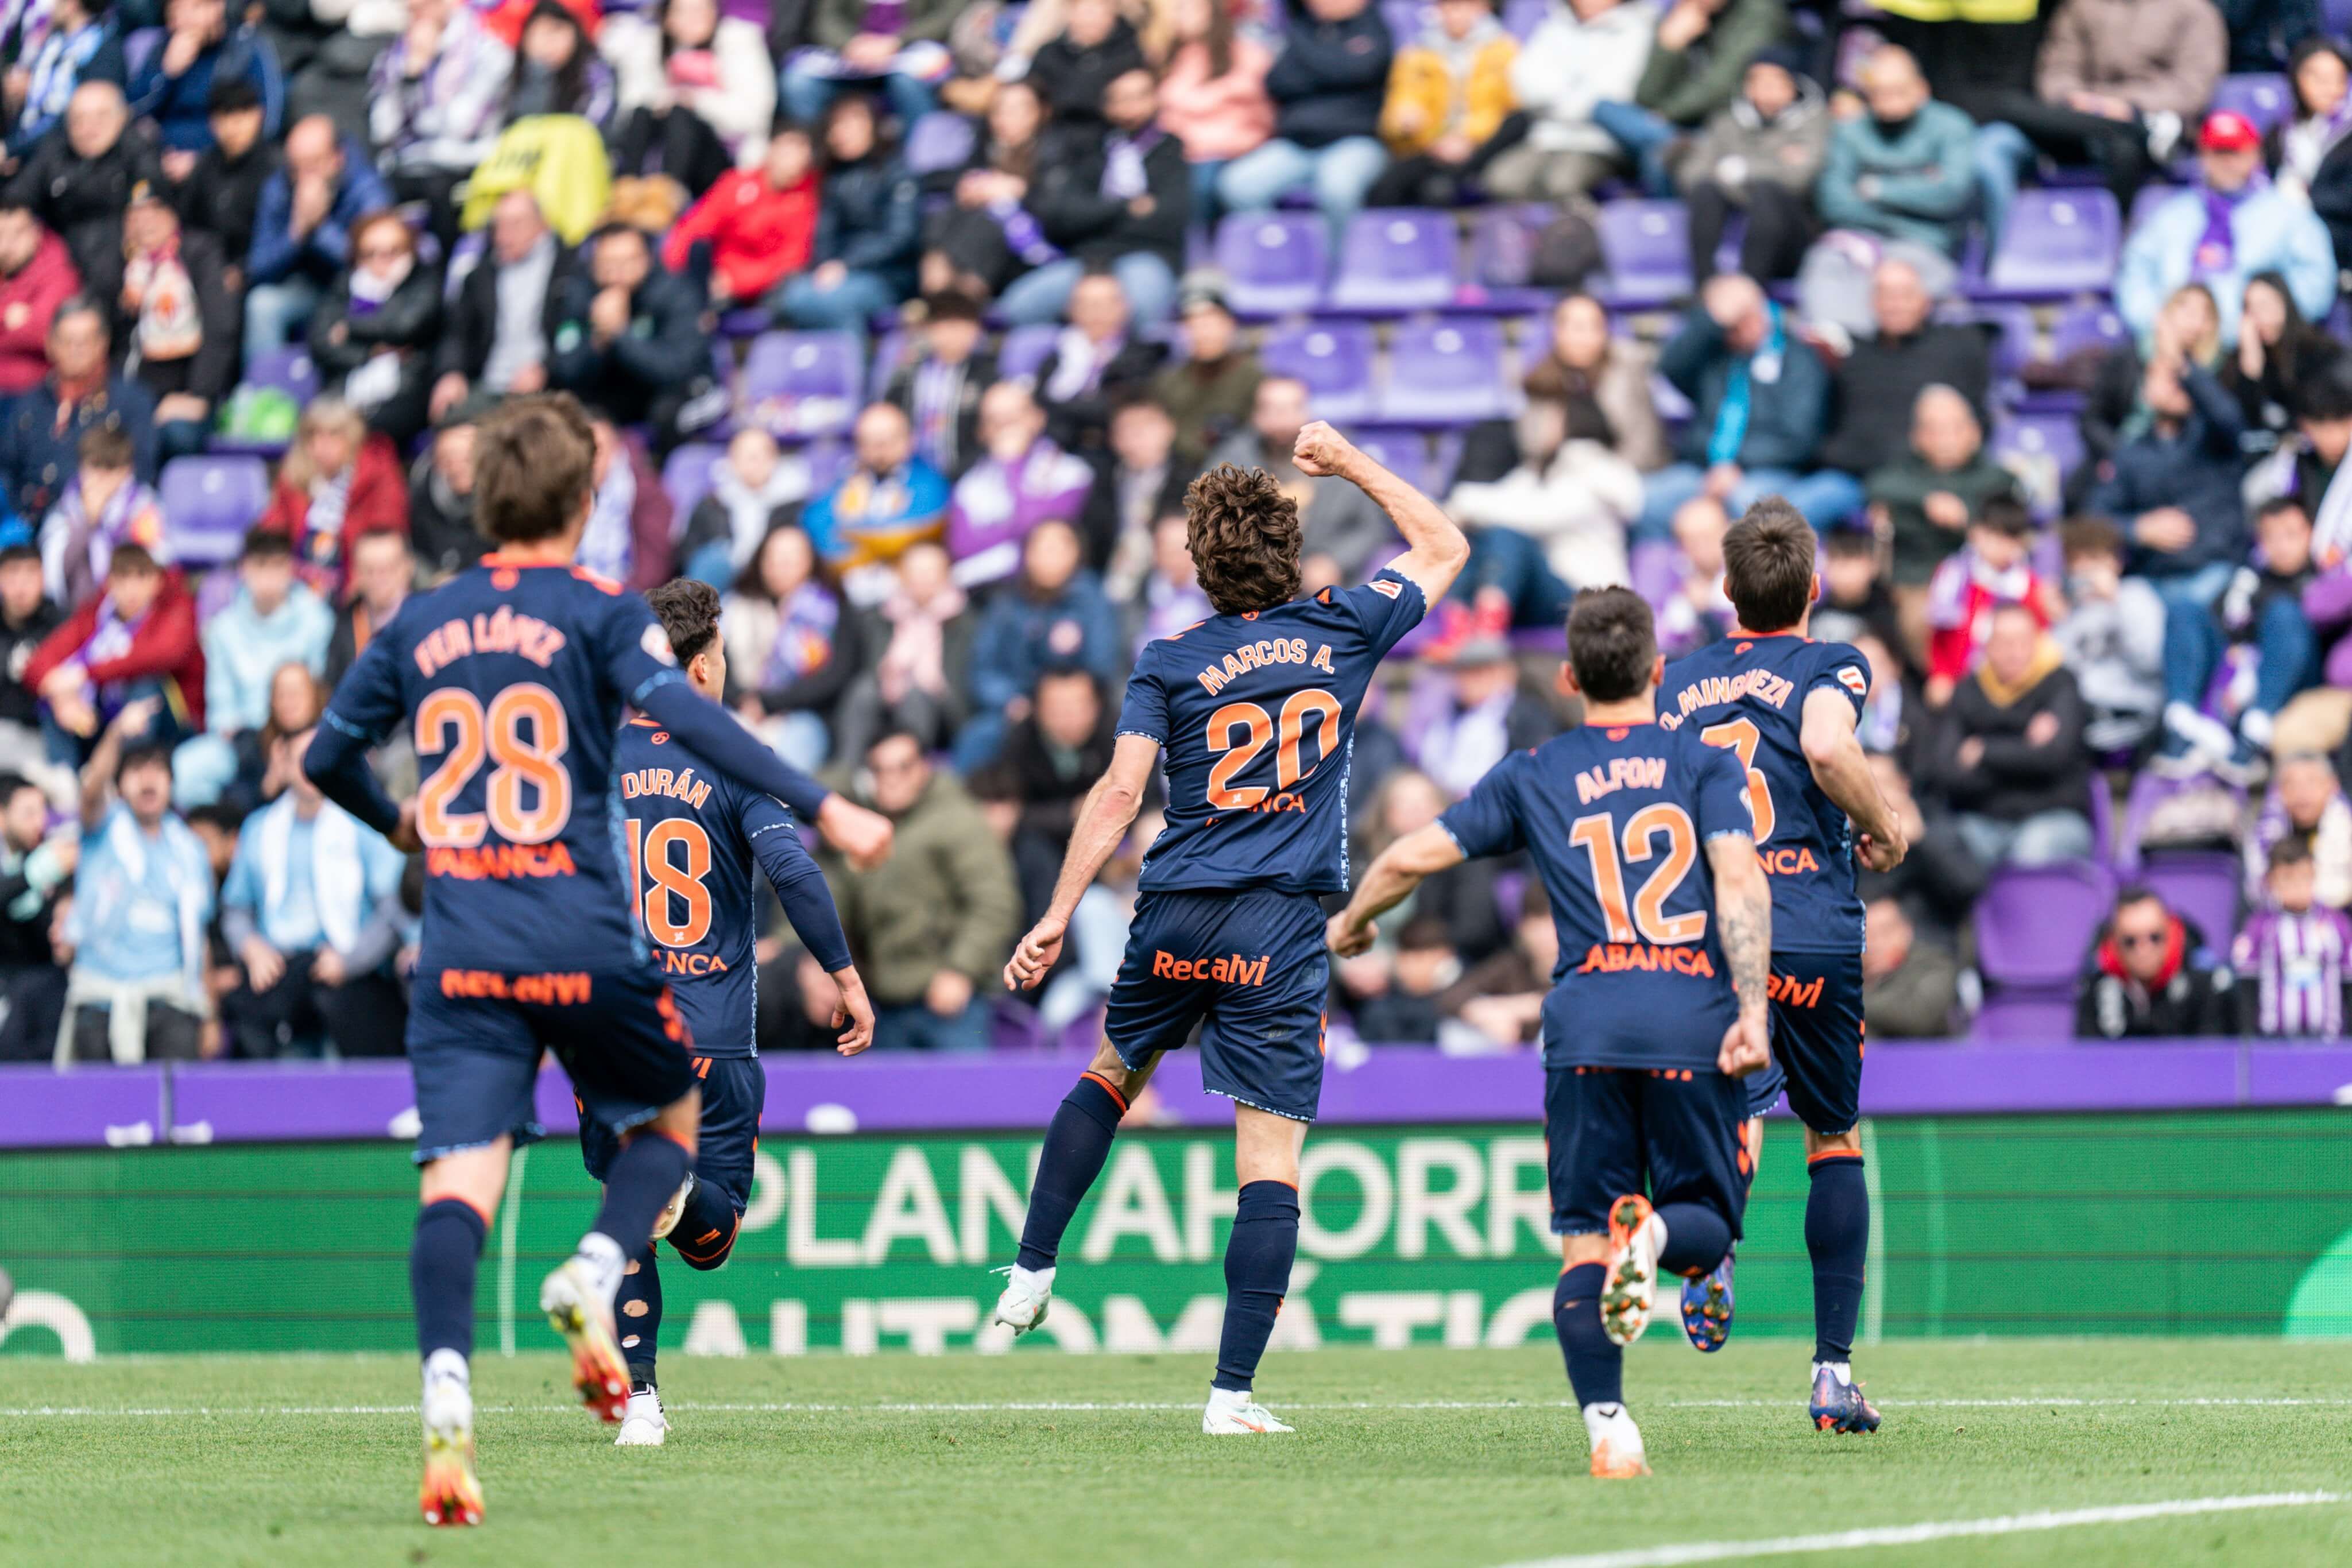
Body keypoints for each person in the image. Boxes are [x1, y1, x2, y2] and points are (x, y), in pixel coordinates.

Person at [299, 392, 892, 1526]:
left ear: (476, 499)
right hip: (577, 939)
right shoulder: (596, 611)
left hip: (461, 943)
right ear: (584, 501)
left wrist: (401, 827)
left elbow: (326, 756)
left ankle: (446, 1384)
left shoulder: (420, 619)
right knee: (666, 1134)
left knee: (459, 1182)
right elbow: (689, 713)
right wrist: (827, 804)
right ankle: (593, 1263)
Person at [991, 422, 1467, 1438]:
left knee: (1112, 1073)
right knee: (1269, 1158)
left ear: (1199, 569)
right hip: (1277, 924)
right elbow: (1444, 547)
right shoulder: (1343, 628)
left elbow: (1122, 793)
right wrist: (1348, 464)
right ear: (1289, 557)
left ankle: (1031, 1268)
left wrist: (1058, 911)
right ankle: (1230, 1396)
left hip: (1172, 907)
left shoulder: (1168, 657)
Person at [1332, 584, 1770, 1476]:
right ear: (1659, 670)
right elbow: (1741, 882)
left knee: (1581, 1237)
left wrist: (1355, 922)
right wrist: (1754, 1007)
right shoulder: (1702, 764)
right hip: (1690, 1015)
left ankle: (1611, 1427)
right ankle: (1651, 1238)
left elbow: (1414, 850)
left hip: (1585, 1026)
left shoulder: (1536, 769)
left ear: (1569, 675)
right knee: (1706, 1225)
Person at [597, 578, 873, 1443]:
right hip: (712, 1033)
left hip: (612, 1029)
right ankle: (676, 1201)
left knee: (630, 1206)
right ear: (707, 663)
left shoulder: (595, 760)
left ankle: (638, 1398)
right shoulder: (731, 756)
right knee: (710, 1238)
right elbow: (794, 870)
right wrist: (844, 972)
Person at [1653, 498, 1906, 1434]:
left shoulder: (1677, 679)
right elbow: (1829, 744)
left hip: (1711, 923)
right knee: (1833, 1135)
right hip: (1807, 925)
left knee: (1735, 1102)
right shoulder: (1831, 662)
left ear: (1726, 589)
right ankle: (1832, 1375)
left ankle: (1708, 1245)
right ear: (1813, 587)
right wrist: (1882, 824)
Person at [819, 727, 1019, 1052]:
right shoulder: (867, 826)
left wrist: (960, 970)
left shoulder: (958, 819)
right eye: (879, 770)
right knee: (892, 1100)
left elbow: (994, 903)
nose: (891, 778)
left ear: (925, 767)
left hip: (951, 1001)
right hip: (887, 1002)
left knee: (961, 1098)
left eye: (903, 767)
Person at [218, 723, 409, 1059]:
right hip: (281, 975)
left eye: (319, 757)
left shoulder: (364, 823)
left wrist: (350, 961)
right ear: (284, 763)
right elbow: (236, 909)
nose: (310, 769)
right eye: (301, 759)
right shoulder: (260, 827)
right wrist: (252, 949)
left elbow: (392, 911)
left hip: (348, 977)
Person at [58, 711, 213, 1063]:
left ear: (172, 784)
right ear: (120, 784)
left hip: (171, 997)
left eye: (158, 771)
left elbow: (197, 933)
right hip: (101, 996)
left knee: (173, 1115)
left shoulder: (190, 848)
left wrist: (210, 1013)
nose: (148, 780)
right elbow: (92, 788)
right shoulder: (102, 828)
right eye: (137, 771)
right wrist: (115, 734)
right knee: (100, 1115)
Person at [2116, 110, 2336, 349]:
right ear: (2202, 156)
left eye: (2235, 152)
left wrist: (2277, 317)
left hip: (2257, 346)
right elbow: (2135, 270)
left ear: (2255, 155)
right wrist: (2154, 320)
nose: (2227, 162)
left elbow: (2317, 280)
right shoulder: (2171, 214)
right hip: (2173, 346)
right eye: (2218, 152)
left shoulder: (2289, 215)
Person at [1639, 273, 1836, 537]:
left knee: (1747, 503)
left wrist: (1738, 466)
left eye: (1749, 315)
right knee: (1649, 503)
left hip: (1769, 472)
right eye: (1733, 323)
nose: (1743, 328)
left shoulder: (1799, 359)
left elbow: (1799, 439)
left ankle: (1738, 577)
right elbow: (1670, 366)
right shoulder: (1715, 355)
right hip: (1703, 471)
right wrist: (1712, 323)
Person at [2082, 311, 2252, 610]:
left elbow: (2227, 416)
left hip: (2213, 576)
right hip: (2152, 582)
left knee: (2190, 611)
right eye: (2163, 375)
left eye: (2180, 378)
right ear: (2145, 389)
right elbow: (2096, 515)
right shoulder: (2130, 452)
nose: (2175, 385)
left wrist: (2181, 363)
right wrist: (2138, 528)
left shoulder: (2215, 436)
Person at [999, 67, 1189, 327]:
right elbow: (1062, 215)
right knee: (1020, 307)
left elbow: (1169, 218)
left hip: (1147, 257)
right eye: (1121, 99)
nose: (1131, 107)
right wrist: (1125, 207)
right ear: (1107, 106)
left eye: (1139, 96)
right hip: (1086, 260)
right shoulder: (1091, 152)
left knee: (1146, 308)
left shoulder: (1173, 150)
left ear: (1156, 98)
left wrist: (1096, 216)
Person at [2156, 495, 2320, 779]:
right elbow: (2217, 629)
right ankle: (2182, 722)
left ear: (2311, 534)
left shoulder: (2325, 581)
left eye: (2291, 535)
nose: (2282, 547)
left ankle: (2253, 735)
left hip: (2290, 685)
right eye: (2272, 537)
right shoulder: (2247, 580)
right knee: (2184, 609)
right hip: (2232, 674)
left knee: (2284, 614)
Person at [1445, 394, 1639, 625]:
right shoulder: (1542, 470)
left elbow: (1532, 515)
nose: (1541, 426)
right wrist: (1457, 510)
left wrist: (1463, 507)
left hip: (1589, 600)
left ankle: (1486, 629)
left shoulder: (1594, 473)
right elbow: (1499, 498)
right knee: (1473, 540)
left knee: (1507, 536)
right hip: (1543, 593)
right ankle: (1460, 626)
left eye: (1552, 418)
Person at [1929, 601, 2094, 868]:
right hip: (1982, 820)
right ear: (1987, 646)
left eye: (2022, 641)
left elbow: (2053, 759)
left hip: (2053, 817)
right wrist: (2024, 749)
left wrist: (1984, 751)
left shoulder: (2061, 684)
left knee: (2031, 852)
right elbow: (1947, 773)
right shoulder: (1968, 691)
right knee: (1947, 853)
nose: (2014, 652)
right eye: (2003, 642)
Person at [1216, 0, 1392, 243]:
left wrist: (1311, 66)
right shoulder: (1301, 28)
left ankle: (1337, 271)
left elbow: (1364, 68)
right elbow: (1276, 82)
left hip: (1355, 141)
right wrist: (1338, 67)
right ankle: (1280, 259)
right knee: (1238, 185)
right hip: (1297, 144)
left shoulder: (1374, 28)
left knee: (1337, 190)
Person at [1870, 388, 2025, 663]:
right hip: (1919, 578)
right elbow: (1876, 487)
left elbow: (2012, 508)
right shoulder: (1903, 473)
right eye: (1933, 430)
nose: (1944, 439)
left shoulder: (1995, 477)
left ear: (1975, 431)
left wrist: (1966, 515)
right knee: (1920, 618)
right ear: (1916, 436)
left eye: (1954, 428)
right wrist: (1926, 502)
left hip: (1981, 579)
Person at [955, 518, 1119, 770]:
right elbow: (982, 670)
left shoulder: (1092, 599)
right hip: (1019, 705)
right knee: (979, 736)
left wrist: (1063, 701)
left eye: (1059, 548)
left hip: (1075, 705)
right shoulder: (1006, 604)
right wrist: (1010, 700)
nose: (1049, 557)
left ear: (1076, 553)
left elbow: (1102, 665)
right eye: (1041, 548)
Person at [546, 223, 719, 456]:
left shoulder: (676, 293)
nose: (617, 272)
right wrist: (598, 339)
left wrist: (620, 334)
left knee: (667, 412)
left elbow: (677, 369)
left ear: (647, 259)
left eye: (627, 262)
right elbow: (565, 368)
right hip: (615, 392)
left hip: (674, 393)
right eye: (608, 264)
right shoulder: (580, 293)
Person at [1816, 257, 1993, 485]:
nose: (1895, 305)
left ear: (1926, 301)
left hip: (1932, 478)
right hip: (1852, 477)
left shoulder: (1957, 347)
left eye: (1904, 295)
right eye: (1886, 296)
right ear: (1873, 302)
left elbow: (1977, 424)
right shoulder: (1852, 356)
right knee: (1783, 512)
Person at [22, 540, 198, 765]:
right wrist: (61, 696)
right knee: (54, 702)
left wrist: (85, 674)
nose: (131, 589)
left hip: (175, 724)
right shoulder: (96, 614)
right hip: (102, 716)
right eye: (123, 578)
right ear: (110, 582)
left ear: (156, 581)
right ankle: (65, 786)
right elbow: (39, 662)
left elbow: (156, 657)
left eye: (141, 577)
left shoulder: (175, 610)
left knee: (145, 686)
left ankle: (132, 774)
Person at [1206, 374, 1391, 587]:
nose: (1282, 418)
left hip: (1328, 585)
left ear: (1307, 411)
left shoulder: (1341, 456)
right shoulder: (1232, 460)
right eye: (1272, 409)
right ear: (1256, 415)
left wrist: (1335, 561)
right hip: (1252, 583)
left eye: (1291, 408)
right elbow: (1209, 519)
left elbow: (1371, 527)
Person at [1672, 44, 1828, 287]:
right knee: (1705, 191)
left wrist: (1742, 171)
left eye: (1774, 82)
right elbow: (1692, 173)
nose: (1765, 90)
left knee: (1768, 194)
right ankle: (1705, 286)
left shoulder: (1813, 121)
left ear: (1792, 85)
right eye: (1757, 81)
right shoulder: (1727, 121)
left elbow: (1799, 179)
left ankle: (1749, 289)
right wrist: (1773, 165)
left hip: (1790, 232)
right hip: (1733, 217)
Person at [242, 114, 392, 360]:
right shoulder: (279, 187)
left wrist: (321, 229)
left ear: (337, 159)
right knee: (262, 305)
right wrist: (296, 234)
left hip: (356, 293)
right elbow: (257, 269)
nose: (303, 178)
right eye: (295, 168)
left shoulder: (366, 188)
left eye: (312, 165)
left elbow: (373, 266)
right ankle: (264, 393)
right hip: (309, 286)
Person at [368, 0, 513, 241]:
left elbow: (461, 126)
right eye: (411, 11)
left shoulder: (488, 51)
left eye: (424, 7)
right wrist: (410, 75)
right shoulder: (397, 56)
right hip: (405, 166)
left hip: (465, 164)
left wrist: (414, 106)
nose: (417, 17)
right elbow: (383, 130)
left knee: (439, 196)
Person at [773, 96, 919, 331]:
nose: (843, 133)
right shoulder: (832, 178)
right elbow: (824, 235)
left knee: (840, 302)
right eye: (837, 125)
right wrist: (828, 266)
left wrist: (847, 265)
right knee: (792, 296)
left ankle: (852, 366)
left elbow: (900, 237)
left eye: (852, 124)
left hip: (888, 275)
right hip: (838, 274)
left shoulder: (897, 172)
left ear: (874, 127)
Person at [0, 296, 152, 523]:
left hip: (106, 522)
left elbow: (142, 471)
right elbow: (7, 470)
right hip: (28, 526)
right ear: (50, 345)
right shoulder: (29, 405)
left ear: (103, 343)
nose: (76, 350)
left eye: (84, 341)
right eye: (67, 341)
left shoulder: (131, 402)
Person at [1483, 0, 1653, 203]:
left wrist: (1556, 99)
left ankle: (1577, 230)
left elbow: (1614, 97)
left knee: (1561, 183)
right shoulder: (1553, 26)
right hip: (1545, 138)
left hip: (1600, 143)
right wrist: (1580, 96)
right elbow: (1525, 83)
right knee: (1501, 180)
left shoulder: (1637, 30)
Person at [5, 80, 155, 308]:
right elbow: (18, 197)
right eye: (78, 120)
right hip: (63, 272)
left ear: (122, 117)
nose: (88, 127)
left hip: (124, 269)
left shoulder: (138, 150)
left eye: (100, 117)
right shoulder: (55, 153)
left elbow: (153, 209)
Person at [722, 523, 860, 773]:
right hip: (740, 709)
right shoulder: (735, 608)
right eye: (774, 558)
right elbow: (715, 666)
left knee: (787, 763)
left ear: (811, 561)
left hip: (805, 715)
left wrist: (769, 702)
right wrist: (745, 700)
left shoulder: (830, 609)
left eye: (792, 558)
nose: (782, 566)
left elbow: (836, 675)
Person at [308, 208, 442, 454]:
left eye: (393, 251)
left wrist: (349, 328)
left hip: (405, 394)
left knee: (351, 430)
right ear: (357, 257)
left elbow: (405, 327)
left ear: (410, 250)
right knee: (318, 426)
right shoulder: (344, 285)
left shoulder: (423, 281)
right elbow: (320, 343)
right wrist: (371, 352)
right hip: (344, 389)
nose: (383, 261)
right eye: (371, 254)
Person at [431, 191, 571, 421]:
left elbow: (577, 330)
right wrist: (451, 373)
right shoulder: (479, 275)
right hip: (489, 384)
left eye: (516, 224)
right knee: (450, 423)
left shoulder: (568, 268)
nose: (504, 235)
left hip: (551, 385)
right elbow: (456, 333)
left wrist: (547, 367)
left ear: (542, 225)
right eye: (498, 225)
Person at [115, 184, 230, 462]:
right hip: (137, 390)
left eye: (155, 211)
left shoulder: (198, 253)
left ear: (173, 215)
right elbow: (112, 338)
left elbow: (221, 325)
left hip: (188, 388)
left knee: (177, 435)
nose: (146, 222)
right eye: (136, 215)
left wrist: (199, 394)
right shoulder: (125, 265)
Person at [1366, 0, 1518, 210]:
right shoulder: (1416, 54)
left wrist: (1468, 136)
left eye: (1466, 6)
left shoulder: (1505, 52)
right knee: (1385, 188)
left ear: (1484, 9)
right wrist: (1411, 125)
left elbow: (1510, 111)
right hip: (1429, 146)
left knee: (1439, 190)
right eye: (1449, 7)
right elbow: (1397, 110)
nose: (1456, 15)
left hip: (1482, 149)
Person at [945, 380, 1097, 590]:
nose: (1006, 426)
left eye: (1015, 416)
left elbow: (1038, 535)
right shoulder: (971, 482)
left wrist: (1012, 466)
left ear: (1038, 417)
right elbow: (961, 548)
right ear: (982, 432)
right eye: (995, 420)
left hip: (1056, 589)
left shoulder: (1071, 472)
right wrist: (1012, 539)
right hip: (986, 593)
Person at [256, 396, 408, 597]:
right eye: (314, 436)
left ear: (352, 437)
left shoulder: (377, 473)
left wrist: (359, 581)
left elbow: (386, 534)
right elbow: (273, 531)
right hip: (298, 589)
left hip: (357, 584)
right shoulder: (293, 477)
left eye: (333, 435)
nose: (322, 445)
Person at [660, 127, 818, 311]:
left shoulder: (806, 201)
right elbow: (696, 227)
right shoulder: (735, 184)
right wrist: (673, 269)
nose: (792, 164)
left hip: (764, 289)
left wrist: (735, 283)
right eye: (787, 153)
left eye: (800, 158)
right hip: (717, 274)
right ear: (771, 152)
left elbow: (792, 259)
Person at [602, 0, 774, 164]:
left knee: (681, 116)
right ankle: (628, 184)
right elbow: (631, 106)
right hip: (665, 145)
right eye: (684, 11)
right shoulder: (652, 44)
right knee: (643, 113)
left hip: (726, 150)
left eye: (701, 9)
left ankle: (669, 188)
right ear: (668, 19)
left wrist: (694, 100)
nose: (694, 19)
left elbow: (754, 116)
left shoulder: (740, 42)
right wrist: (665, 100)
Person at [2053, 514, 2167, 757]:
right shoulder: (2071, 612)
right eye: (2076, 561)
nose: (2084, 570)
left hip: (2132, 712)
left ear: (2115, 562)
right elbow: (2059, 673)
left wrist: (2117, 600)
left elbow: (2152, 661)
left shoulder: (2135, 595)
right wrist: (2056, 621)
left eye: (2094, 559)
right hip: (2082, 717)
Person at [800, 401, 951, 577]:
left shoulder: (929, 481)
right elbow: (816, 522)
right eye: (869, 443)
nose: (879, 452)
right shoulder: (850, 479)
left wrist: (852, 533)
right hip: (852, 584)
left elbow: (907, 531)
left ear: (909, 440)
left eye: (886, 441)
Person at [1158, 0, 1275, 217]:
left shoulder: (1245, 52)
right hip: (1180, 149)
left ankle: (1203, 248)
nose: (1179, 17)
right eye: (1177, 10)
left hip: (1229, 149)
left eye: (1188, 9)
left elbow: (1256, 103)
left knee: (1197, 186)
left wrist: (1199, 101)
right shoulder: (1176, 56)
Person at [2075, 884, 2235, 1038]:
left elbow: (2213, 1057)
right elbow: (2089, 1059)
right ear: (2115, 943)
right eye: (2130, 941)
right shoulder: (2095, 988)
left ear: (2169, 933)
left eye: (2155, 937)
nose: (2144, 950)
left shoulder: (2205, 986)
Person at [126, 0, 282, 158]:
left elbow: (268, 120)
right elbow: (134, 111)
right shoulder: (163, 49)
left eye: (197, 7)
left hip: (222, 160)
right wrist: (166, 74)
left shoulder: (245, 48)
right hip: (161, 158)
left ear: (218, 7)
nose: (187, 19)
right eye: (178, 10)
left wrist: (201, 161)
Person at [2234, 837, 2351, 1037]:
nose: (2297, 886)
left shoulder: (2338, 924)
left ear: (2314, 875)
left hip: (2330, 1043)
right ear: (2270, 881)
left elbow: (2348, 984)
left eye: (2304, 876)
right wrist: (2250, 1042)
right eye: (2288, 877)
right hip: (2275, 1043)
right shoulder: (2260, 926)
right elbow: (2247, 988)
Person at [37, 424, 161, 610]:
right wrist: (87, 522)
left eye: (111, 468)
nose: (102, 476)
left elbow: (153, 562)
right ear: (81, 467)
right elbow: (55, 574)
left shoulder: (145, 505)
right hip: (74, 610)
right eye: (95, 466)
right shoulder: (65, 507)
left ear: (127, 469)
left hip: (130, 609)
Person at [776, 0, 956, 129]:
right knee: (797, 84)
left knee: (907, 83)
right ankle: (814, 164)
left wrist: (897, 42)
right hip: (852, 57)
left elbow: (947, 16)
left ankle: (915, 173)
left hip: (907, 53)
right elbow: (825, 18)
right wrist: (849, 44)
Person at [164, 75, 269, 276]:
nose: (232, 130)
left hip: (254, 270)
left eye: (240, 119)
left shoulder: (273, 167)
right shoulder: (205, 166)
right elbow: (186, 222)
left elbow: (273, 237)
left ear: (258, 116)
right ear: (213, 124)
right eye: (224, 120)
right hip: (206, 266)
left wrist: (242, 269)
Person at [1151, 277, 1262, 464]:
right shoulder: (1168, 380)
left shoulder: (1255, 377)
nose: (1203, 333)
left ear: (1229, 324)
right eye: (1193, 324)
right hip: (1180, 473)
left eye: (1211, 322)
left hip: (1239, 475)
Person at [3, 0, 126, 164]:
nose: (51, 8)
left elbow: (79, 118)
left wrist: (12, 149)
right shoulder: (53, 44)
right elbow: (33, 107)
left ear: (71, 5)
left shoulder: (104, 49)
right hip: (25, 148)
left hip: (64, 159)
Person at [0, 771, 69, 1059]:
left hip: (50, 991)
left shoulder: (55, 859)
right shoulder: (43, 866)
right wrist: (36, 874)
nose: (39, 823)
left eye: (42, 812)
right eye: (28, 813)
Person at [0, 202, 79, 397]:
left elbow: (43, 334)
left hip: (31, 392)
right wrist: (5, 317)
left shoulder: (59, 274)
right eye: (1, 234)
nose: (7, 245)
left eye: (17, 234)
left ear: (36, 233)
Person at [2266, 36, 2351, 203]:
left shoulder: (2348, 132)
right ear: (2297, 79)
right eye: (2319, 79)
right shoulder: (2279, 132)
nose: (2330, 88)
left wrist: (2307, 198)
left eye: (2338, 79)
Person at [1858, 894, 1957, 1038]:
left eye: (1885, 931)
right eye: (1867, 933)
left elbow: (1919, 1016)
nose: (1876, 942)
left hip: (1921, 1057)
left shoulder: (1935, 965)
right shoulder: (1846, 971)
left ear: (1907, 930)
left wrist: (1851, 1002)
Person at [326, 526, 412, 690]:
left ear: (408, 567)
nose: (378, 579)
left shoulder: (426, 619)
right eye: (369, 570)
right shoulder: (344, 624)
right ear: (356, 573)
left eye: (387, 570)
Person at [409, 404, 486, 582]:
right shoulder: (424, 496)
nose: (456, 467)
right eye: (448, 459)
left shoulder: (504, 500)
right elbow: (420, 554)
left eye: (466, 458)